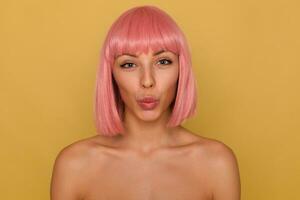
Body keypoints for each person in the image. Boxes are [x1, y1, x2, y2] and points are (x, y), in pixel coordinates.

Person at [50, 5, 241, 200]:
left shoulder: (217, 164)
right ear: (111, 75)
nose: (147, 81)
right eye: (129, 64)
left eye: (163, 62)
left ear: (181, 69)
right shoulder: (74, 165)